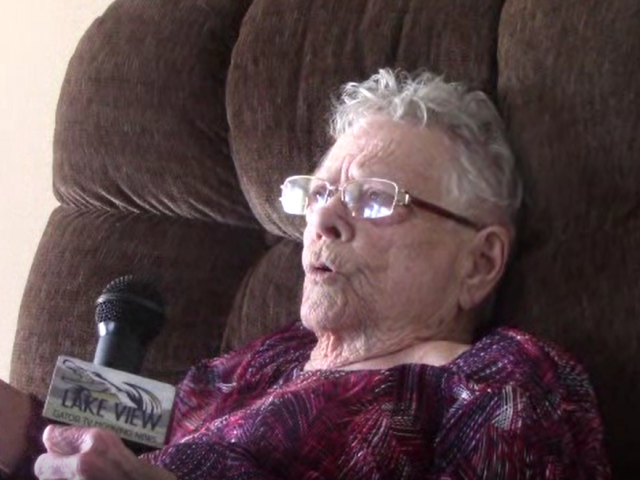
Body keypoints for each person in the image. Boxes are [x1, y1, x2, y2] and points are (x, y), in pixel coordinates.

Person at [0, 69, 610, 480]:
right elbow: (104, 447)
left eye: (374, 198)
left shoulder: (503, 380)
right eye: (317, 195)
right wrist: (20, 426)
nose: (324, 219)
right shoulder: (249, 365)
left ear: (479, 263)